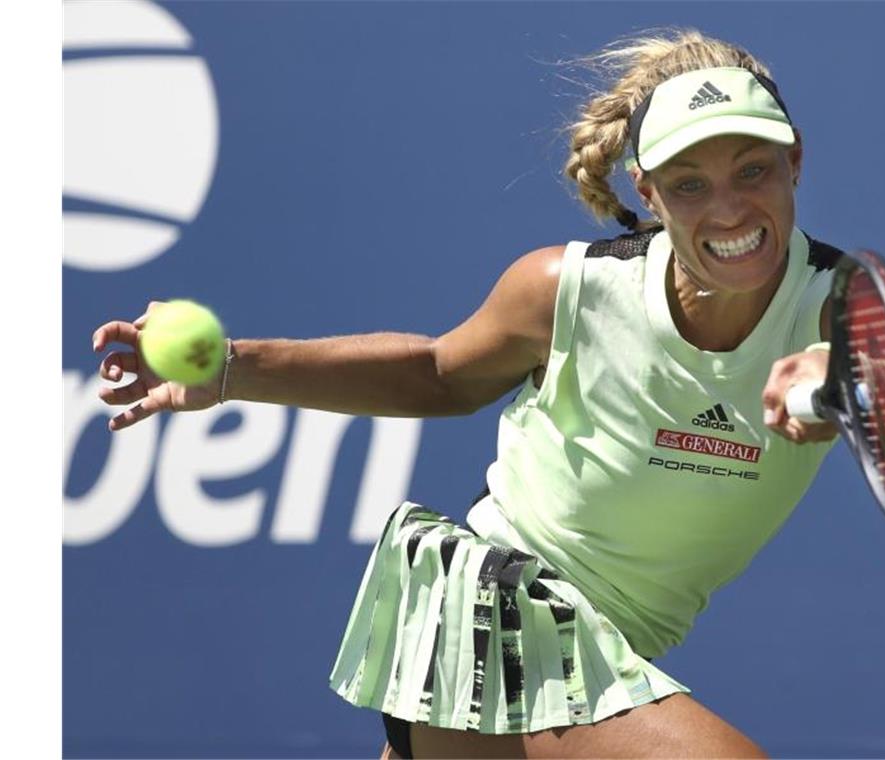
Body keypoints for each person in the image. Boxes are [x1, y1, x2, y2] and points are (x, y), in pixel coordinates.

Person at [93, 28, 846, 759]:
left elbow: (864, 376)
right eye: (690, 184)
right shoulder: (566, 290)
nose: (729, 210)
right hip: (489, 615)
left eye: (754, 171)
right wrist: (231, 367)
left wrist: (832, 382)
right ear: (647, 192)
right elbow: (437, 373)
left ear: (795, 162)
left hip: (608, 659)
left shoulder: (848, 308)